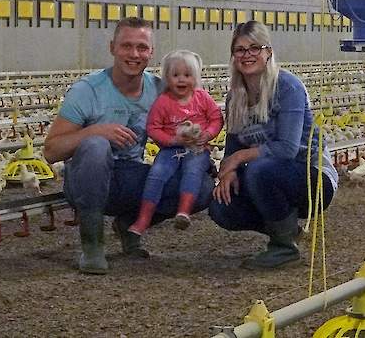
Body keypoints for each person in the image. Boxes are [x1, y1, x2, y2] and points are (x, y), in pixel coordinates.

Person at [43, 17, 214, 274]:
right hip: (87, 180)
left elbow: (189, 119)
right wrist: (95, 131)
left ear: (151, 53)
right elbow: (51, 151)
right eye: (126, 46)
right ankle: (92, 245)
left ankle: (128, 224)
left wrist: (195, 142)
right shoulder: (87, 91)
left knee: (201, 186)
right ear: (113, 48)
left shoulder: (158, 90)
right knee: (95, 147)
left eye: (142, 47)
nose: (134, 54)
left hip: (129, 174)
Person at [209, 21, 339, 269]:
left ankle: (283, 248)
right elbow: (233, 144)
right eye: (240, 49)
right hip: (269, 176)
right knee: (220, 206)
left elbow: (287, 149)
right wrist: (228, 172)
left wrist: (238, 159)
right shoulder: (235, 97)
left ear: (268, 52)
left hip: (311, 179)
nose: (247, 55)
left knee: (261, 169)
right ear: (234, 56)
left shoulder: (288, 86)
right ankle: (287, 230)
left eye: (254, 48)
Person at [127, 50, 223, 236]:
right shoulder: (163, 102)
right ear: (166, 78)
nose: (181, 80)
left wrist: (207, 135)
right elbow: (153, 127)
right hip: (171, 149)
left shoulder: (202, 97)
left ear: (195, 77)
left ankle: (184, 211)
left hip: (197, 148)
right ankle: (143, 219)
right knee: (157, 174)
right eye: (175, 75)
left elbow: (216, 118)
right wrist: (171, 140)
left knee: (193, 171)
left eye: (187, 75)